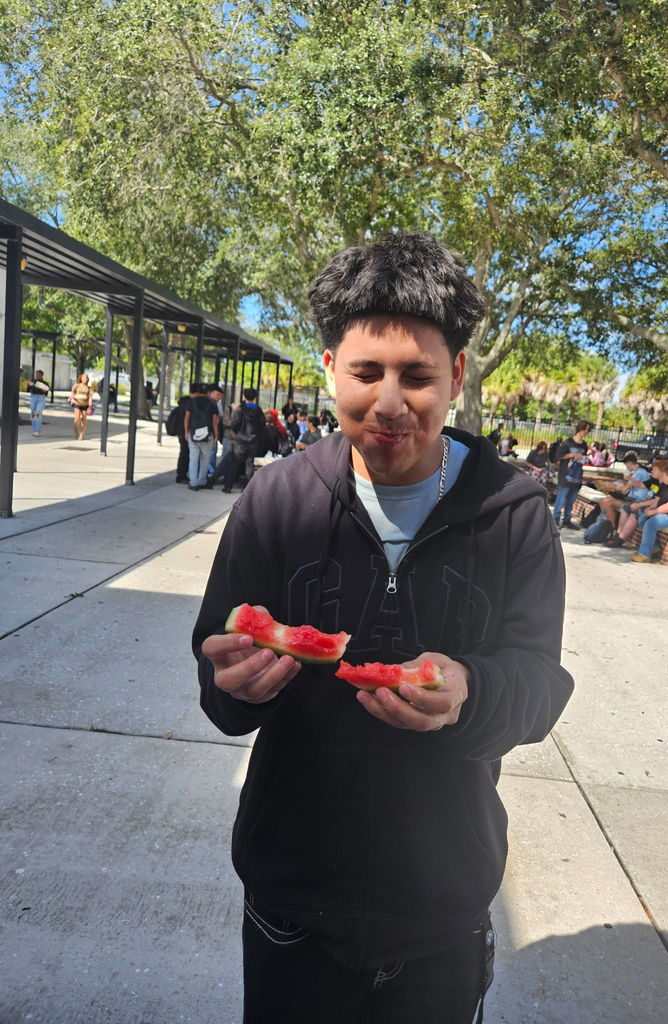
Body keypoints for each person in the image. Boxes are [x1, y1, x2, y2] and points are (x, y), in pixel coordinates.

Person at [192, 231, 574, 1024]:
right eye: (365, 372)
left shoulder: (514, 513)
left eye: (418, 376)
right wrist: (234, 684)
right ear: (329, 365)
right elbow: (218, 688)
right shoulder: (274, 502)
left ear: (458, 375)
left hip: (442, 909)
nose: (390, 402)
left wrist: (472, 690)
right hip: (291, 901)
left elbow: (540, 685)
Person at [222, 388, 267, 493]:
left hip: (241, 441)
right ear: (255, 397)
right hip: (253, 442)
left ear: (244, 396)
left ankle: (228, 486)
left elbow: (234, 424)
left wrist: (238, 433)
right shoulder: (259, 410)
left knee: (235, 463)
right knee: (249, 464)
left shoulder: (240, 409)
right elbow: (262, 425)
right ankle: (246, 488)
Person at [597, 451, 651, 531]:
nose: (626, 468)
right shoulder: (637, 472)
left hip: (636, 500)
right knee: (603, 500)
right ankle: (604, 523)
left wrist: (612, 486)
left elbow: (624, 488)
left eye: (626, 465)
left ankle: (611, 528)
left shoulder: (639, 473)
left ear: (629, 463)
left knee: (608, 503)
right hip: (631, 498)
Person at [552, 421, 592, 529]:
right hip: (566, 475)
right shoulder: (567, 443)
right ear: (580, 428)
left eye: (588, 430)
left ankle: (567, 520)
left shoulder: (584, 444)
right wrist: (573, 454)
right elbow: (558, 456)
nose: (586, 432)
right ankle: (555, 519)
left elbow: (583, 457)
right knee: (561, 499)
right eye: (585, 429)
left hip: (577, 476)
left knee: (571, 500)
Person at [184, 383, 218, 491]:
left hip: (193, 432)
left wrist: (186, 431)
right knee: (205, 458)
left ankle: (193, 483)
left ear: (198, 392)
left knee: (193, 458)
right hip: (207, 434)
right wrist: (216, 436)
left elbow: (187, 418)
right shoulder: (212, 403)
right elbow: (214, 422)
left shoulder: (192, 402)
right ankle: (202, 481)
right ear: (208, 392)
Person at [69, 373, 93, 440]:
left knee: (84, 420)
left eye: (86, 378)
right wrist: (73, 399)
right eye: (84, 377)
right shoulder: (76, 386)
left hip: (85, 405)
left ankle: (82, 434)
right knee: (77, 419)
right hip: (77, 404)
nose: (85, 379)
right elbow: (72, 393)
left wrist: (90, 406)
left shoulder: (89, 388)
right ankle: (75, 431)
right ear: (81, 378)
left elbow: (90, 397)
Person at [27, 370, 51, 437]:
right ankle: (34, 430)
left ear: (42, 375)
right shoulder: (33, 381)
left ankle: (37, 430)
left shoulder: (45, 383)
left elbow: (45, 390)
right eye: (36, 374)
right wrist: (29, 385)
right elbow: (28, 390)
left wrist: (35, 385)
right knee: (33, 413)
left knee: (37, 413)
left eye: (39, 374)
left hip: (40, 398)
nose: (37, 375)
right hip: (33, 397)